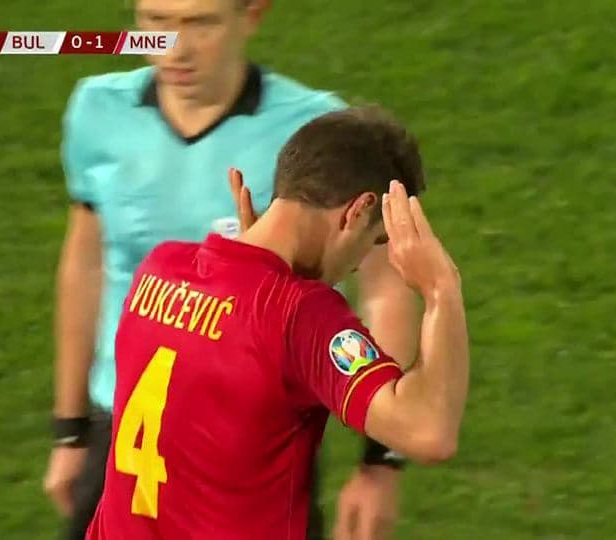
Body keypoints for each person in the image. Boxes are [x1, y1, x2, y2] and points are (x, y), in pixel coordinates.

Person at [44, 1, 421, 538]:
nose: (174, 47)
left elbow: (382, 286)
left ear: (252, 15)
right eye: (155, 22)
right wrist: (71, 428)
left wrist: (380, 459)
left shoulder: (313, 131)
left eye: (201, 23)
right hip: (126, 432)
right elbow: (87, 265)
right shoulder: (97, 111)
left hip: (254, 442)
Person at [86, 106, 470, 539]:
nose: (359, 264)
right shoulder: (300, 315)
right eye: (373, 240)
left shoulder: (159, 270)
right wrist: (441, 289)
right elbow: (428, 431)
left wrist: (256, 270)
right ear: (358, 211)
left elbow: (214, 367)